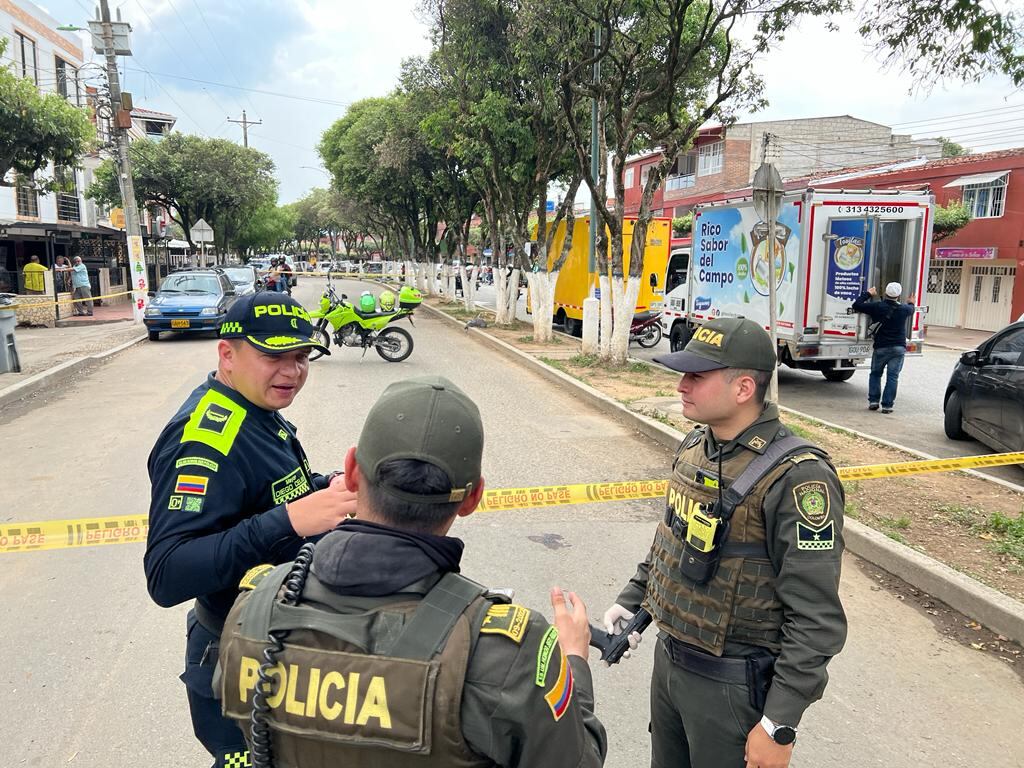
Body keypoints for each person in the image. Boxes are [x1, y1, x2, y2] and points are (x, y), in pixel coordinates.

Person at [217, 375, 608, 768]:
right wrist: (573, 661)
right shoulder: (504, 652)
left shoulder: (256, 605)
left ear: (352, 471)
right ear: (473, 497)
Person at [603, 316, 847, 768]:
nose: (681, 385)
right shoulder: (697, 445)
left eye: (697, 375)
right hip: (671, 667)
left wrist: (779, 723)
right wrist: (635, 598)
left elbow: (816, 619)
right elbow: (672, 540)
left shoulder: (798, 477)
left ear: (743, 389)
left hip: (731, 686)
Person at [144, 292, 358, 768]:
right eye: (273, 356)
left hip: (276, 641)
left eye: (301, 356)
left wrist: (328, 488)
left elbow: (265, 492)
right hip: (235, 657)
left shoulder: (254, 408)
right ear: (227, 353)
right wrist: (288, 521)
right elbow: (167, 572)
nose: (292, 372)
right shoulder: (202, 439)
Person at [852, 282, 916, 414]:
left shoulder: (877, 306)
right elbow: (911, 308)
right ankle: (887, 406)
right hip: (898, 348)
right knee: (892, 377)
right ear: (898, 295)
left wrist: (868, 293)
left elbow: (856, 305)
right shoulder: (904, 309)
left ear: (885, 293)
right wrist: (911, 302)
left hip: (881, 347)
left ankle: (874, 401)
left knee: (875, 374)